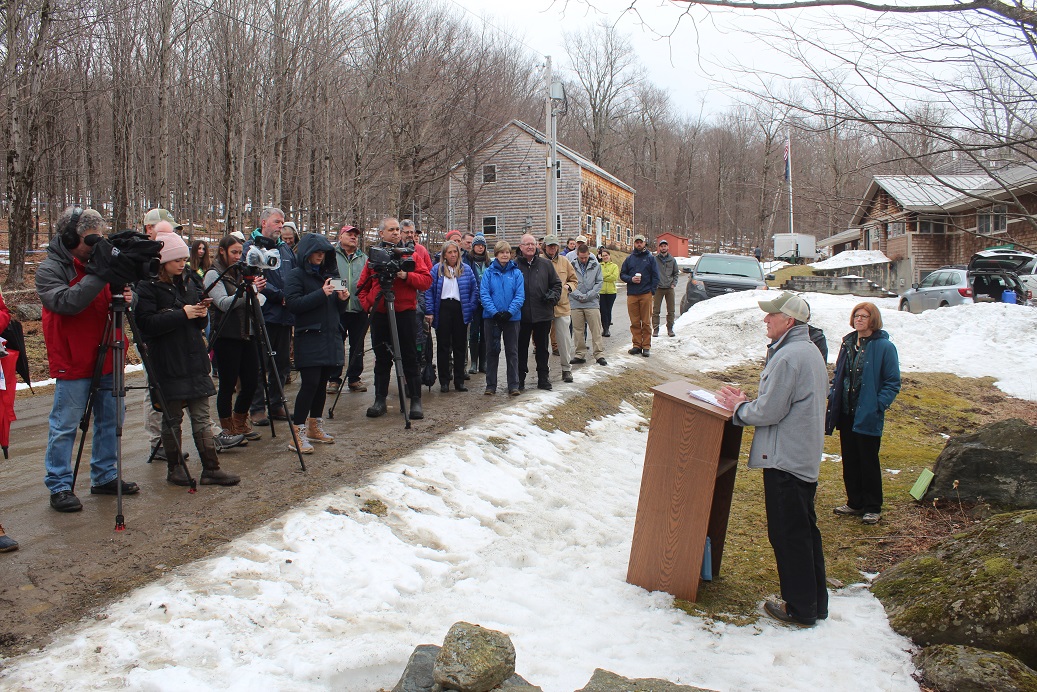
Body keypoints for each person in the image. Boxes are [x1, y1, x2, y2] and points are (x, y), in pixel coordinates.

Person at [716, 292, 829, 627]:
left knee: (788, 534)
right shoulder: (806, 350)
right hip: (799, 455)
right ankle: (814, 602)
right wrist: (747, 401)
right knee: (805, 531)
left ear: (789, 321)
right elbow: (780, 402)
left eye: (771, 316)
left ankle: (800, 608)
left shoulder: (789, 356)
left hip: (785, 460)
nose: (765, 320)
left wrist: (738, 408)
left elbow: (770, 411)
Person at [37, 206, 139, 512]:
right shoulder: (50, 269)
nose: (96, 245)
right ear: (69, 238)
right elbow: (68, 302)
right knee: (65, 425)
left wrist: (129, 293)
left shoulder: (99, 265)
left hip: (108, 352)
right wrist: (100, 273)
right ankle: (59, 485)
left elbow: (117, 299)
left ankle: (105, 475)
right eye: (89, 239)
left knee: (111, 420)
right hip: (73, 358)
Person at [136, 231, 240, 486]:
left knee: (202, 416)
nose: (183, 263)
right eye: (177, 259)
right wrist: (182, 313)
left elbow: (198, 322)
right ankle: (175, 468)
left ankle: (211, 468)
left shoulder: (191, 280)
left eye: (184, 258)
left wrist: (201, 311)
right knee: (172, 418)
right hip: (167, 361)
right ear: (162, 261)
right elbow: (146, 324)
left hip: (194, 357)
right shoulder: (146, 286)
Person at [827, 302, 901, 526]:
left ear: (873, 319)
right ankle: (855, 502)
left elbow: (892, 382)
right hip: (846, 412)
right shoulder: (848, 343)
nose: (859, 319)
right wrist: (834, 395)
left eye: (864, 316)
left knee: (868, 460)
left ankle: (872, 506)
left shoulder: (884, 347)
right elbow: (839, 373)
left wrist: (878, 405)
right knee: (850, 459)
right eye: (856, 316)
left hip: (868, 413)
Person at [357, 217, 433, 419]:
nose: (396, 233)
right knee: (382, 358)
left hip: (405, 313)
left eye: (398, 229)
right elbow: (361, 287)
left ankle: (415, 400)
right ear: (381, 233)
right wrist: (369, 304)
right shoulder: (374, 256)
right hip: (381, 314)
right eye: (391, 230)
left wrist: (406, 276)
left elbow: (426, 281)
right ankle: (379, 400)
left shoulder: (411, 255)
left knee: (409, 356)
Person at [284, 233, 348, 452]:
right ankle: (297, 432)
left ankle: (315, 426)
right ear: (307, 253)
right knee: (310, 384)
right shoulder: (296, 275)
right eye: (316, 252)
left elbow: (337, 310)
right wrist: (321, 294)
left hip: (330, 337)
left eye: (324, 252)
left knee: (321, 385)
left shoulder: (329, 276)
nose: (320, 256)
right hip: (309, 337)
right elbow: (293, 305)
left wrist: (343, 300)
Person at [205, 235, 265, 445]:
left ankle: (240, 420)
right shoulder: (214, 274)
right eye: (234, 252)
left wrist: (254, 290)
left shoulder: (241, 271)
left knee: (251, 381)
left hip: (247, 333)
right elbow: (222, 303)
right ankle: (227, 427)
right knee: (228, 383)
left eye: (241, 252)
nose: (238, 257)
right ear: (222, 251)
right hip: (226, 335)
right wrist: (248, 291)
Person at [246, 207, 298, 426]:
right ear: (264, 222)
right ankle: (257, 408)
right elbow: (253, 280)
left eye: (283, 222)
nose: (280, 226)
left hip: (285, 316)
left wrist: (293, 297)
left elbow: (295, 275)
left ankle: (276, 404)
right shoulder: (251, 248)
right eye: (277, 222)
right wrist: (279, 297)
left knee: (282, 363)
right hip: (263, 314)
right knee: (260, 363)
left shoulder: (285, 250)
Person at [426, 240, 479, 392]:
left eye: (455, 252)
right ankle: (444, 381)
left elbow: (474, 291)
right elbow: (429, 291)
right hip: (442, 308)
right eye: (450, 252)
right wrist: (429, 311)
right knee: (443, 346)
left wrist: (470, 306)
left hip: (460, 309)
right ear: (444, 255)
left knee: (460, 346)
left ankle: (459, 381)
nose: (453, 255)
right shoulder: (437, 269)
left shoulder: (466, 269)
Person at [327, 224, 370, 395]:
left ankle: (354, 378)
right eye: (349, 234)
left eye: (355, 235)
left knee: (357, 346)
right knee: (337, 344)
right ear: (341, 236)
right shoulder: (331, 256)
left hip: (359, 309)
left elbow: (368, 282)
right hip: (338, 308)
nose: (353, 237)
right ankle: (333, 379)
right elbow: (329, 277)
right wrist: (339, 292)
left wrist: (366, 301)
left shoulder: (364, 258)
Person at [515, 234, 561, 391]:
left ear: (537, 246)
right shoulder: (514, 266)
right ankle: (519, 379)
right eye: (526, 244)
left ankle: (543, 378)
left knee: (542, 348)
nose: (530, 247)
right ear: (520, 247)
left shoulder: (546, 264)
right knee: (520, 348)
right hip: (521, 316)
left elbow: (556, 284)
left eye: (532, 244)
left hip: (543, 313)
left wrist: (553, 296)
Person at [480, 240, 525, 395]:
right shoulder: (489, 272)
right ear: (496, 254)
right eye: (501, 252)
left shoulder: (516, 273)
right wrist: (495, 313)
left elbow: (520, 296)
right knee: (492, 351)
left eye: (507, 252)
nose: (505, 255)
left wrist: (509, 312)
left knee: (512, 351)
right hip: (492, 318)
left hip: (512, 319)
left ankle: (513, 385)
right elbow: (484, 294)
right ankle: (490, 385)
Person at [542, 235, 577, 383]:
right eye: (550, 246)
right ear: (544, 246)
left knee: (564, 340)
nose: (552, 248)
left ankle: (566, 369)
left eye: (554, 246)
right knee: (542, 342)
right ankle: (544, 372)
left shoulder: (564, 261)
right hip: (543, 307)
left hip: (562, 306)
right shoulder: (539, 261)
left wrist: (568, 287)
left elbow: (574, 279)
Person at [620, 234, 660, 357]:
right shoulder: (629, 259)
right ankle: (637, 345)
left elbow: (656, 276)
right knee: (635, 322)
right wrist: (631, 279)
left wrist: (651, 291)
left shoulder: (650, 258)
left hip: (645, 294)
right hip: (632, 294)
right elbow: (622, 274)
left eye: (640, 242)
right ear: (634, 244)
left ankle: (646, 346)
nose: (639, 244)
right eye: (637, 242)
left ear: (644, 244)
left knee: (646, 322)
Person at [569, 244, 607, 366]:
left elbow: (599, 282)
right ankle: (580, 353)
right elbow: (568, 282)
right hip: (576, 302)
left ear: (589, 254)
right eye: (581, 258)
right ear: (577, 255)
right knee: (578, 330)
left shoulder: (596, 265)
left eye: (585, 257)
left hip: (592, 302)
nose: (584, 260)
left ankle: (599, 354)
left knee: (595, 329)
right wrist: (578, 295)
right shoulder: (571, 265)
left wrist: (589, 295)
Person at [465, 234, 490, 374]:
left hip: (486, 302)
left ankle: (483, 362)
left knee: (485, 332)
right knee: (474, 332)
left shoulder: (489, 263)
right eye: (477, 245)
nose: (480, 247)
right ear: (473, 246)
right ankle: (473, 362)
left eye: (482, 245)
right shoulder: (468, 261)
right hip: (473, 301)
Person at [653, 238, 680, 338]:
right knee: (656, 310)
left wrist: (674, 283)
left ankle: (670, 329)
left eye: (665, 246)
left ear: (667, 247)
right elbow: (652, 272)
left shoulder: (672, 260)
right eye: (661, 246)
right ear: (659, 247)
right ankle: (655, 329)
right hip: (658, 288)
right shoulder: (655, 259)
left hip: (669, 288)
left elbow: (676, 273)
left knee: (671, 310)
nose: (663, 248)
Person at [597, 248, 619, 337]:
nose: (605, 257)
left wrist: (603, 277)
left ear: (609, 256)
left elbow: (614, 277)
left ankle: (607, 328)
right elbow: (597, 277)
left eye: (606, 255)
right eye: (603, 256)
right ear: (601, 257)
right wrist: (606, 276)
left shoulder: (614, 266)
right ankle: (604, 328)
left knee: (608, 310)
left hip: (611, 292)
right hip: (601, 291)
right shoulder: (598, 266)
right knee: (603, 310)